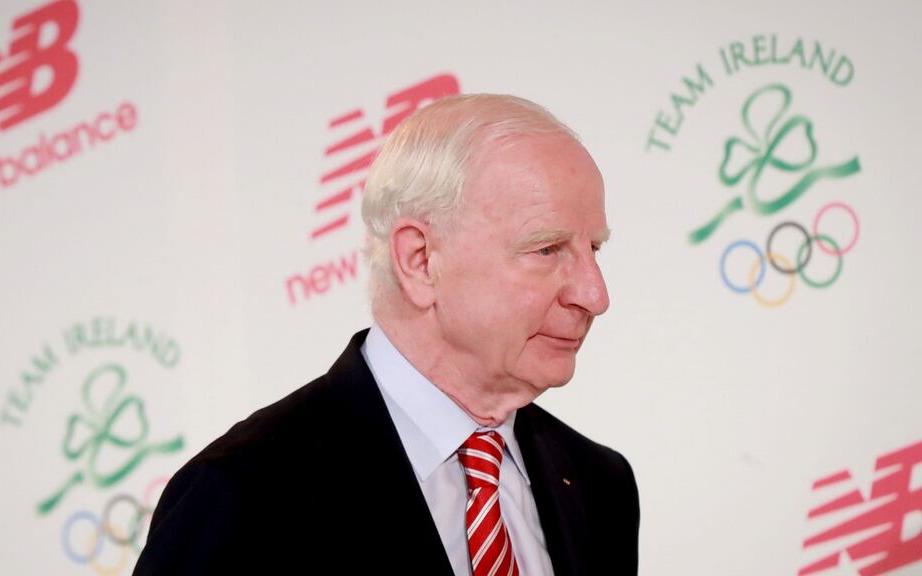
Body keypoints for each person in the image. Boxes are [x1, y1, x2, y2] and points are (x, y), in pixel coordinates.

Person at [134, 94, 639, 575]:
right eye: (547, 249)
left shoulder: (601, 484)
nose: (595, 295)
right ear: (420, 261)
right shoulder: (242, 494)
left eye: (594, 248)